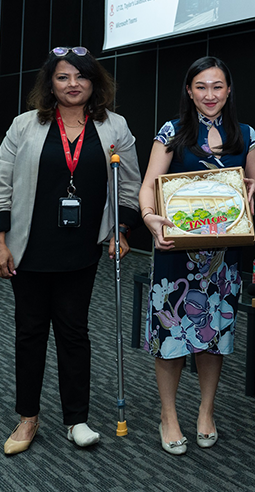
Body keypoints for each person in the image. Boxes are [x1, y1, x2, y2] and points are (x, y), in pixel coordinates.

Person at [0, 46, 141, 454]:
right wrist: (1, 242)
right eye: (63, 77)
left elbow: (129, 184)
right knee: (29, 334)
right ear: (51, 83)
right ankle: (27, 418)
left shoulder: (114, 127)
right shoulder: (24, 126)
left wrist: (121, 229)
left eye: (81, 77)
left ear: (94, 82)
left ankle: (76, 418)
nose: (72, 84)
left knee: (74, 332)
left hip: (81, 249)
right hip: (29, 247)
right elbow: (2, 186)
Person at [138, 56, 255, 455]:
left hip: (221, 259)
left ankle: (206, 411)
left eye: (218, 87)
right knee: (172, 335)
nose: (210, 95)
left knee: (214, 337)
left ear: (229, 90)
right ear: (189, 91)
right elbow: (148, 187)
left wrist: (251, 191)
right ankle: (169, 415)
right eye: (201, 87)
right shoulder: (172, 132)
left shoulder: (246, 134)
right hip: (176, 254)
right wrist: (149, 218)